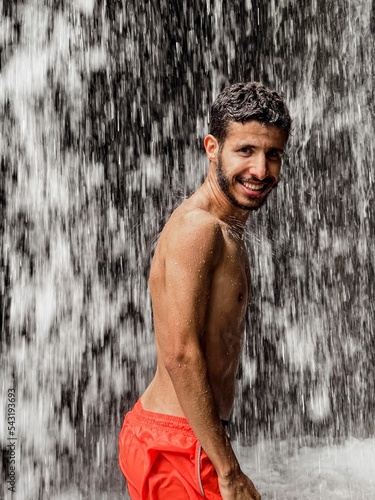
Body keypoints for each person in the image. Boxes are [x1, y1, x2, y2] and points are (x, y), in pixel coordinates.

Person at [119, 81, 292, 499]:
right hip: (178, 446)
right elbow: (180, 353)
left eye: (273, 155)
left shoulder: (227, 229)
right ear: (212, 147)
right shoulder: (198, 229)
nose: (261, 170)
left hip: (185, 440)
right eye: (245, 151)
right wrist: (229, 472)